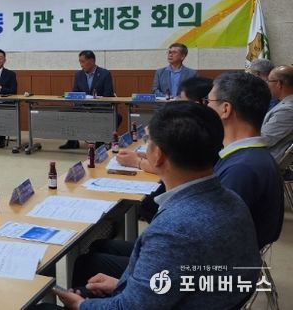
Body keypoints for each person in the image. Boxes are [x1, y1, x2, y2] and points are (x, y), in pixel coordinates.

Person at [45, 102, 261, 310]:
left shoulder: (174, 230)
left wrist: (81, 305)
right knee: (91, 260)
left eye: (148, 141)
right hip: (205, 298)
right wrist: (125, 285)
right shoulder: (232, 199)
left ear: (157, 155)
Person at [208, 71, 284, 250]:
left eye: (208, 102)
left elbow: (214, 236)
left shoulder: (241, 169)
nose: (206, 108)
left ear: (225, 109)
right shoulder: (249, 157)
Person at [60, 50, 115, 150]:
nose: (81, 65)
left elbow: (108, 95)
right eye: (80, 62)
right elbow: (75, 93)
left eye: (83, 62)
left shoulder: (105, 74)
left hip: (100, 108)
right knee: (66, 112)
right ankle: (72, 141)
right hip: (82, 107)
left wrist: (95, 104)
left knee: (116, 117)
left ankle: (100, 141)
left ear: (92, 61)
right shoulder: (78, 75)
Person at [262, 65, 293, 163]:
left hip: (267, 160)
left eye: (269, 81)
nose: (267, 84)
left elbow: (264, 140)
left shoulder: (287, 110)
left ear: (279, 84)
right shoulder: (285, 104)